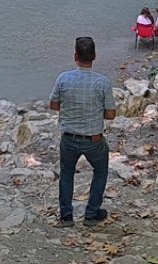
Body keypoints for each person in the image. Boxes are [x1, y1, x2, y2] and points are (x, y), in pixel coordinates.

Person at [48, 36, 116, 227]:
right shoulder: (103, 82)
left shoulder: (63, 78)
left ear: (74, 56)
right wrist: (93, 110)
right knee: (100, 171)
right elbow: (110, 114)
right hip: (94, 139)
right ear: (94, 56)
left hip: (68, 138)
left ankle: (66, 216)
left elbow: (53, 105)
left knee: (67, 174)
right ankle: (91, 213)